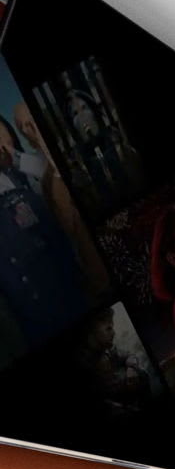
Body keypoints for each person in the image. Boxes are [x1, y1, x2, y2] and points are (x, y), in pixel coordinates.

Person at [0, 114, 90, 341]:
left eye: (3, 134)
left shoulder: (27, 170)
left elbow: (53, 173)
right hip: (32, 304)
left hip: (69, 283)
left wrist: (17, 157)